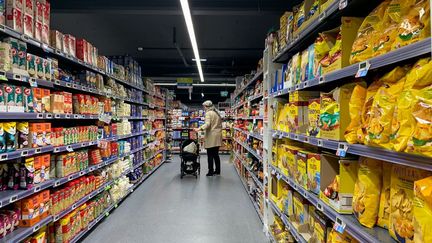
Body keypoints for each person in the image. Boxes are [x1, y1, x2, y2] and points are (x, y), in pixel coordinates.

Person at [195, 100, 222, 176]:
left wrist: (199, 128)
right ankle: (217, 170)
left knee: (210, 154)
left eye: (204, 106)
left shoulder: (208, 113)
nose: (203, 108)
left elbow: (207, 124)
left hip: (211, 136)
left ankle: (210, 171)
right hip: (218, 136)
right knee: (216, 154)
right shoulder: (216, 113)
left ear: (206, 106)